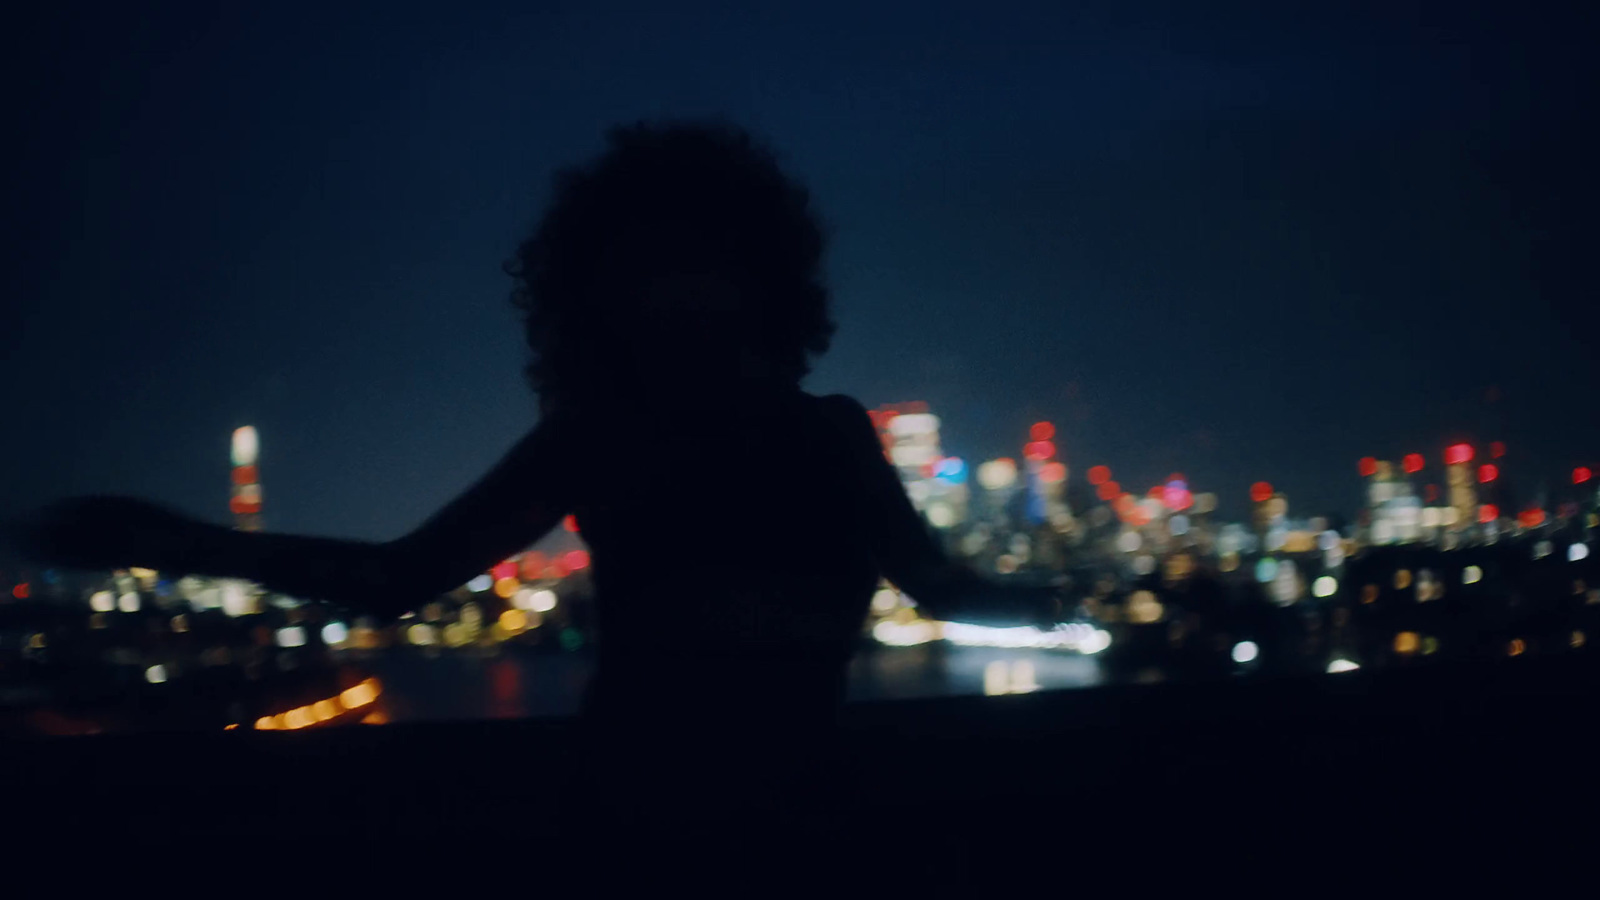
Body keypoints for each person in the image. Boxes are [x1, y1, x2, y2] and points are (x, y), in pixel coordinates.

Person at [4, 119, 1064, 843]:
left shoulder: (631, 436)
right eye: (657, 273)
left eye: (698, 265)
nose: (682, 295)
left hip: (669, 819)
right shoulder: (777, 437)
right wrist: (1051, 603)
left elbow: (394, 577)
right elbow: (942, 588)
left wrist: (181, 543)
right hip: (748, 821)